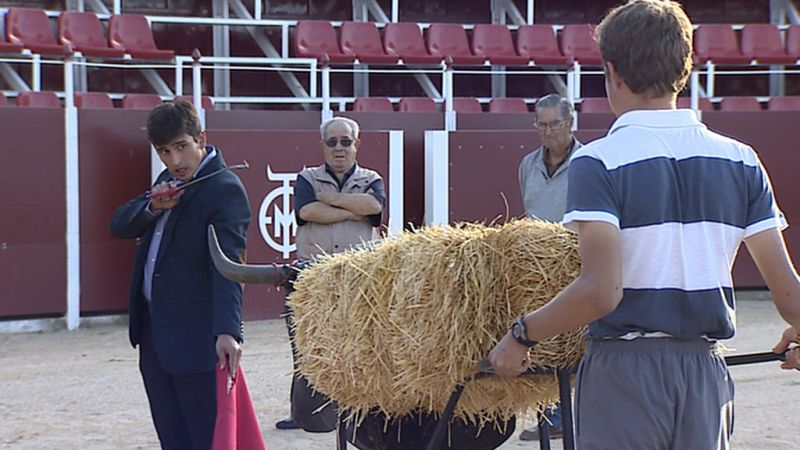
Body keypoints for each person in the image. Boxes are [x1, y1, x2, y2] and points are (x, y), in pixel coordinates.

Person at [489, 1, 800, 449]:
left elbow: (601, 291)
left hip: (625, 370)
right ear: (686, 68)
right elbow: (788, 292)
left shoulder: (598, 160)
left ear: (612, 72)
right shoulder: (741, 159)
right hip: (704, 371)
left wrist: (522, 335)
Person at [110, 100, 251, 449]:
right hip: (155, 335)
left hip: (196, 336)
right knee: (172, 438)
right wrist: (152, 206)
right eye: (164, 151)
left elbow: (228, 265)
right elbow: (118, 224)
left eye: (181, 147)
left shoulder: (224, 189)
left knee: (203, 437)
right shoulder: (167, 181)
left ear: (200, 138)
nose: (175, 160)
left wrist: (228, 331)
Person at [275, 116, 385, 431]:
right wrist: (355, 211)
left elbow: (375, 207)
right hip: (313, 276)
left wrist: (332, 200)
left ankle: (359, 412)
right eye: (333, 142)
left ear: (356, 145)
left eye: (346, 141)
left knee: (358, 345)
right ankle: (303, 414)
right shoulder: (306, 177)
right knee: (307, 346)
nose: (339, 148)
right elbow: (307, 211)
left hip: (359, 276)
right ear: (323, 145)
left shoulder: (371, 177)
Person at [517, 93, 581, 441]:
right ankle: (550, 414)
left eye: (554, 124)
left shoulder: (589, 161)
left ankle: (568, 415)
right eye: (541, 125)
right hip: (538, 269)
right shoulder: (528, 164)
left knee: (576, 342)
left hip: (576, 263)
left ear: (570, 123)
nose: (548, 131)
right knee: (544, 342)